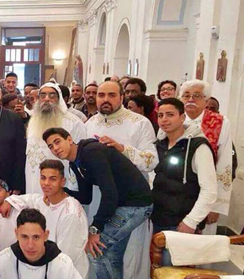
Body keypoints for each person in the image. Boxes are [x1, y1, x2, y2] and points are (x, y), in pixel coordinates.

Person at [43, 127, 153, 278]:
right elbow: (85, 197)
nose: (55, 148)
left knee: (96, 251)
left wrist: (95, 229)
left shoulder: (91, 153)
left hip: (136, 204)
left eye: (57, 142)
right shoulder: (76, 163)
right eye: (50, 146)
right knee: (111, 254)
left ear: (69, 139)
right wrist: (59, 192)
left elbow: (110, 194)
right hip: (124, 205)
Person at [85, 80, 158, 278]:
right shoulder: (90, 123)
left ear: (122, 97)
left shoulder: (139, 123)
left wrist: (122, 149)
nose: (105, 100)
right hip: (100, 199)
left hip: (130, 201)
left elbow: (152, 161)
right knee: (100, 251)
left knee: (123, 254)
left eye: (111, 95)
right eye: (101, 95)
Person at [0, 160, 89, 278]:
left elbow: (66, 257)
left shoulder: (70, 213)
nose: (46, 183)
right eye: (43, 178)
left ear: (63, 182)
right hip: (46, 268)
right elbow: (27, 199)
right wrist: (8, 201)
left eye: (52, 179)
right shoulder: (44, 201)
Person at [152, 98, 217, 238]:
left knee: (173, 260)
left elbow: (209, 190)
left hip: (182, 223)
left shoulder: (198, 147)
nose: (164, 119)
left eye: (170, 115)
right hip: (158, 219)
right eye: (160, 115)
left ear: (182, 117)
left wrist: (191, 221)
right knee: (157, 261)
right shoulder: (159, 144)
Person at [179, 80, 233, 235]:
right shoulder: (173, 118)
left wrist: (216, 206)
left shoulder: (220, 122)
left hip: (206, 192)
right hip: (174, 194)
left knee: (200, 249)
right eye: (186, 95)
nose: (190, 99)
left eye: (197, 96)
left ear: (206, 99)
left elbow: (225, 164)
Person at [25, 82, 86, 194]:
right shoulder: (34, 120)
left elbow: (80, 156)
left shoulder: (73, 122)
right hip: (33, 178)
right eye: (42, 95)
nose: (47, 99)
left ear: (59, 99)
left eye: (52, 95)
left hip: (61, 180)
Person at [0, 209, 82, 279]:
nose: (30, 245)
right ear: (16, 234)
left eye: (36, 237)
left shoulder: (62, 266)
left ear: (46, 235)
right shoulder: (3, 261)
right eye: (24, 237)